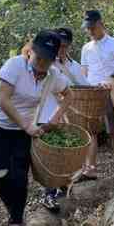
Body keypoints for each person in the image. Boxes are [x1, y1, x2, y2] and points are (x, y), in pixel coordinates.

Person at [0, 30, 72, 226]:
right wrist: (26, 125)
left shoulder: (53, 75)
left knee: (20, 176)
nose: (41, 63)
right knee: (1, 173)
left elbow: (69, 95)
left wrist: (55, 119)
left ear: (53, 59)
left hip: (23, 132)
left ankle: (16, 219)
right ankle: (12, 210)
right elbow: (3, 99)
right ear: (31, 50)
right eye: (38, 56)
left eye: (47, 59)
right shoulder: (15, 65)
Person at [80, 10, 114, 180]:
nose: (90, 31)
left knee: (113, 131)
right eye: (87, 28)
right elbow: (83, 72)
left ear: (100, 24)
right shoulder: (86, 48)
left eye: (92, 28)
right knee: (90, 132)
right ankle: (91, 169)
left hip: (109, 92)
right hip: (90, 94)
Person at [40, 27, 89, 212]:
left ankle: (57, 189)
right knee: (49, 155)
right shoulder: (42, 62)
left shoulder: (73, 66)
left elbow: (84, 86)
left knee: (62, 153)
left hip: (62, 116)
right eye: (58, 45)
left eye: (64, 46)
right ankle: (49, 193)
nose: (61, 49)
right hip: (43, 115)